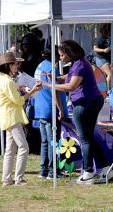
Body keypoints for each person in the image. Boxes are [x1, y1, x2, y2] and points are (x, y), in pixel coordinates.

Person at [54, 40, 105, 184]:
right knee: (90, 138)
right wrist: (56, 78)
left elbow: (71, 86)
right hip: (91, 101)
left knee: (85, 139)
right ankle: (105, 168)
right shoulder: (79, 63)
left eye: (62, 55)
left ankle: (88, 172)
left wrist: (50, 84)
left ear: (70, 53)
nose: (61, 58)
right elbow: (70, 77)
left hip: (84, 104)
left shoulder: (80, 65)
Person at [0, 52, 42, 186]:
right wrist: (32, 91)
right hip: (12, 117)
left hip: (9, 117)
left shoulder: (4, 80)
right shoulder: (7, 81)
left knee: (10, 150)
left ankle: (7, 179)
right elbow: (20, 101)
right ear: (7, 66)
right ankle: (19, 178)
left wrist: (23, 90)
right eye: (14, 64)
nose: (16, 66)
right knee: (23, 147)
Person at [34, 49, 66, 180]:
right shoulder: (52, 68)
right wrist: (60, 108)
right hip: (49, 109)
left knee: (44, 142)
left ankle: (43, 170)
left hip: (40, 108)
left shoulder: (39, 66)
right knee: (53, 142)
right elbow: (55, 91)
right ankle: (53, 171)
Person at [93, 24, 112, 88]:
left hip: (106, 59)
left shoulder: (109, 38)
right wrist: (104, 50)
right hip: (101, 59)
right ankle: (109, 92)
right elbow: (95, 48)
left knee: (104, 77)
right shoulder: (100, 39)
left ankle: (105, 91)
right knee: (110, 74)